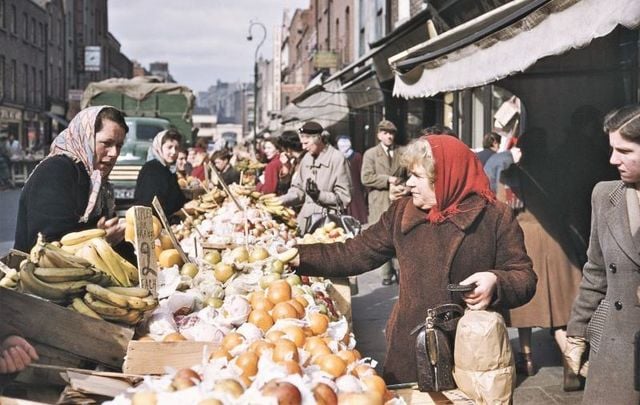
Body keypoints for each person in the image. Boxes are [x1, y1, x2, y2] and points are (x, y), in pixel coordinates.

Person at [291, 135, 536, 384]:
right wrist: (297, 256)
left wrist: (495, 280)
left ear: (444, 178)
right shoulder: (401, 213)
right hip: (410, 349)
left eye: (417, 177)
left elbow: (524, 277)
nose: (409, 184)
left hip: (471, 354)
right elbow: (354, 253)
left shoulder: (494, 217)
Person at [564, 105, 640, 404]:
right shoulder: (605, 196)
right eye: (612, 149)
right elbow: (595, 269)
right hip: (615, 347)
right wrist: (577, 331)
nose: (613, 160)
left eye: (624, 150)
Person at [500, 129, 583, 379]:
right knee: (561, 309)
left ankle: (527, 359)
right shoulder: (559, 174)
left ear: (522, 148)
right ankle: (571, 357)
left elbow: (504, 210)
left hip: (524, 240)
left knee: (523, 308)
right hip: (557, 240)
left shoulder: (511, 175)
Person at [14, 106, 130, 253]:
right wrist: (101, 242)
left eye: (119, 146)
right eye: (106, 143)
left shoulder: (96, 181)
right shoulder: (56, 171)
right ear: (84, 138)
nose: (114, 153)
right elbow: (46, 245)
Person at [279, 121, 351, 234]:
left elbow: (344, 198)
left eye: (306, 143)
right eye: (302, 143)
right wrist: (282, 200)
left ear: (317, 139)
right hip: (305, 222)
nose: (303, 147)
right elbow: (298, 190)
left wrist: (319, 195)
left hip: (328, 224)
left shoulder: (337, 159)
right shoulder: (306, 159)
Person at [361, 119, 405, 285]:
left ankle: (401, 272)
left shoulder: (402, 152)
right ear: (379, 135)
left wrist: (403, 185)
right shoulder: (371, 154)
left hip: (399, 199)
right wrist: (388, 180)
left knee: (399, 236)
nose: (389, 136)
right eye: (386, 133)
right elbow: (366, 177)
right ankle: (386, 274)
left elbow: (408, 173)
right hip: (379, 201)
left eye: (392, 133)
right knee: (383, 238)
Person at [134, 129, 187, 218]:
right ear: (159, 148)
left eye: (176, 148)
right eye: (169, 147)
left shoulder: (167, 170)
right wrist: (183, 210)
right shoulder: (152, 170)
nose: (174, 152)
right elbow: (151, 205)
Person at [336, 135, 368, 224]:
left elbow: (361, 173)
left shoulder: (357, 157)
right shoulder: (337, 157)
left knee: (357, 213)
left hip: (356, 190)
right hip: (346, 189)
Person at [276, 130, 304, 197]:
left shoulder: (304, 161)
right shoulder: (294, 161)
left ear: (288, 149)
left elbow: (284, 189)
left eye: (282, 149)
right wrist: (285, 166)